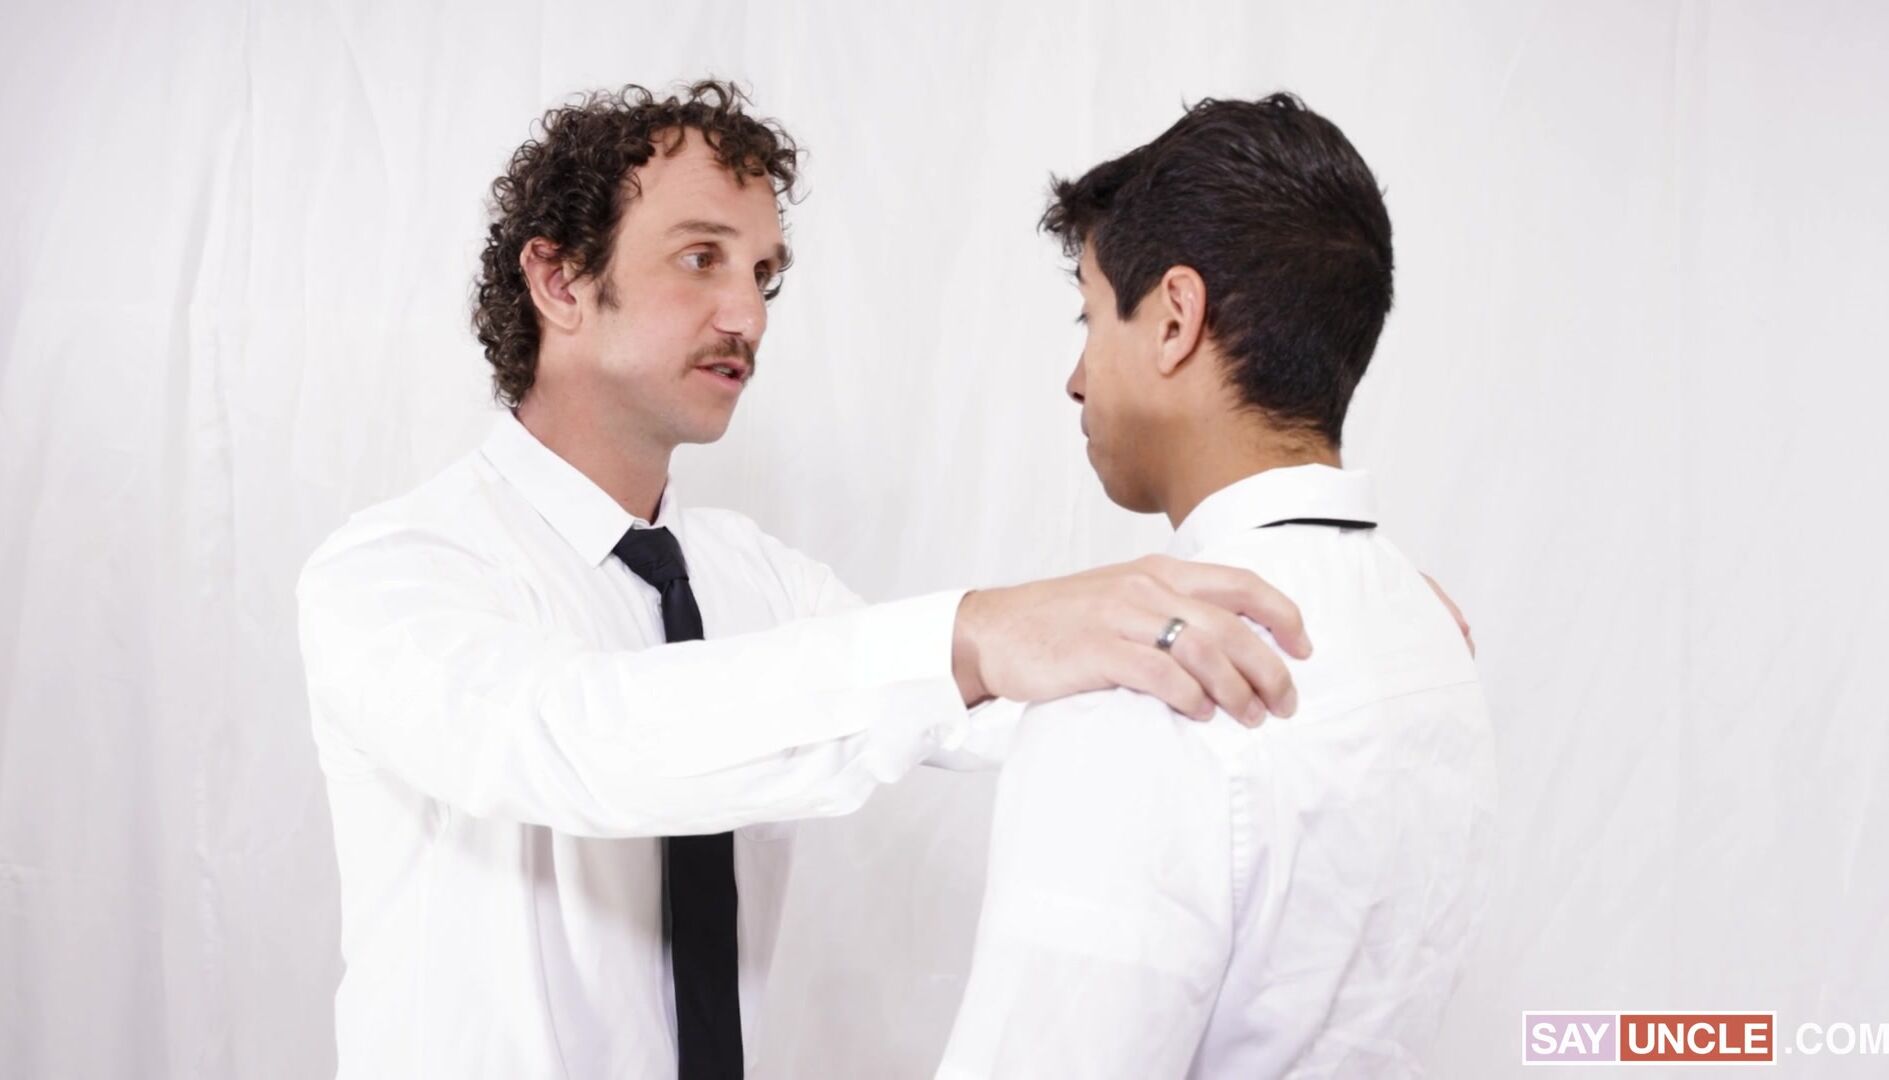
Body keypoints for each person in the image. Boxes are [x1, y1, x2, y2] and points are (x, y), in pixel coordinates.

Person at [294, 81, 1324, 1080]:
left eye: (764, 274)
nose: (746, 314)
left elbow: (992, 709)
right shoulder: (393, 572)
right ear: (560, 281)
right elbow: (579, 738)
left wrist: (1303, 624)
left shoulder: (754, 579)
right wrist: (971, 635)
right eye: (700, 258)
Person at [938, 94, 1497, 1079]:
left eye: (1088, 316)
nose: (1075, 378)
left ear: (1173, 319)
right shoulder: (1425, 629)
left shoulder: (1150, 684)